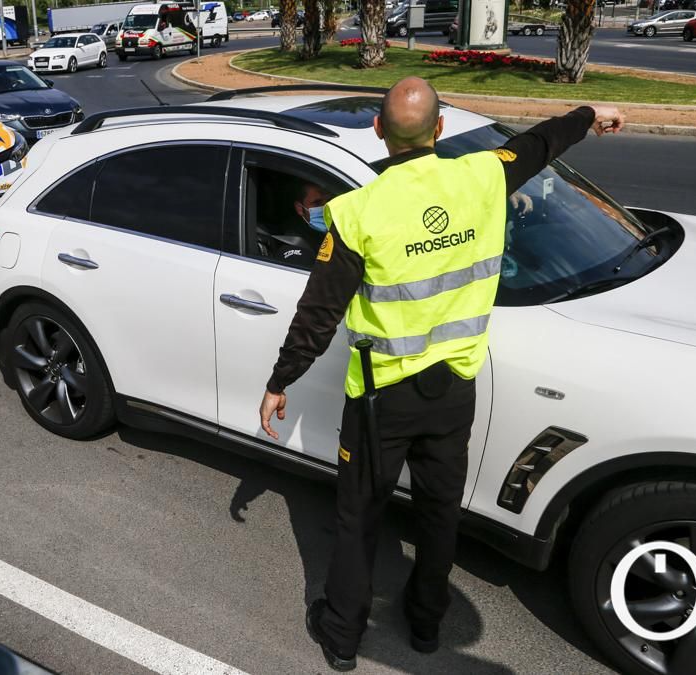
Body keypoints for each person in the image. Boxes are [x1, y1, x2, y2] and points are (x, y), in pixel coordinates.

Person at [257, 76, 623, 671]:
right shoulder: (482, 175)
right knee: (438, 511)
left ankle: (342, 637)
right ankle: (425, 625)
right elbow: (539, 143)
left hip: (382, 400)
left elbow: (318, 314)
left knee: (358, 517)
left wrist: (281, 381)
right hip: (454, 389)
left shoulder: (356, 213)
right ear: (440, 130)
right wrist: (590, 112)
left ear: (379, 131)